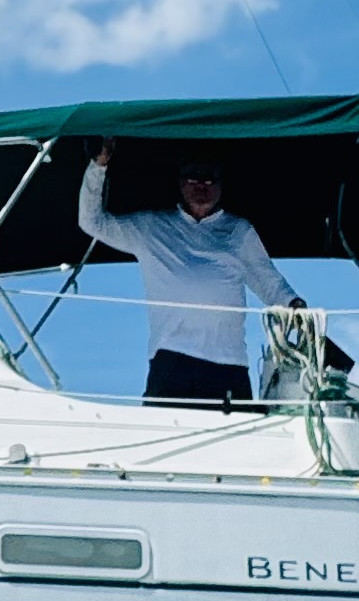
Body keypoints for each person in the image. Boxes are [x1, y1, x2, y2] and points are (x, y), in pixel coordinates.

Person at [77, 144, 302, 405]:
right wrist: (99, 165)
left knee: (239, 444)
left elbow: (266, 279)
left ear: (221, 185)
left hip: (228, 364)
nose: (201, 186)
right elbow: (92, 222)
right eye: (193, 178)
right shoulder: (152, 227)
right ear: (181, 183)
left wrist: (294, 305)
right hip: (172, 360)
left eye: (209, 179)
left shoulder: (238, 231)